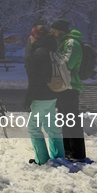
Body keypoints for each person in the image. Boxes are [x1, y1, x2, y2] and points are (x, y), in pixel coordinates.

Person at [24, 25, 65, 165]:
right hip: (52, 93)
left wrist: (28, 99)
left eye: (32, 36)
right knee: (51, 126)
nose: (30, 38)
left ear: (36, 37)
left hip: (40, 96)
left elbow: (35, 79)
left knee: (33, 128)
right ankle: (58, 156)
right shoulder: (50, 49)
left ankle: (41, 159)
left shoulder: (39, 53)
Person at [49, 18, 86, 162]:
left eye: (54, 31)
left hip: (70, 87)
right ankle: (68, 150)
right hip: (63, 86)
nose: (52, 33)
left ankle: (78, 153)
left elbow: (66, 64)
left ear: (61, 30)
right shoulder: (62, 42)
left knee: (72, 120)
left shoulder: (71, 43)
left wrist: (53, 58)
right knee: (65, 120)